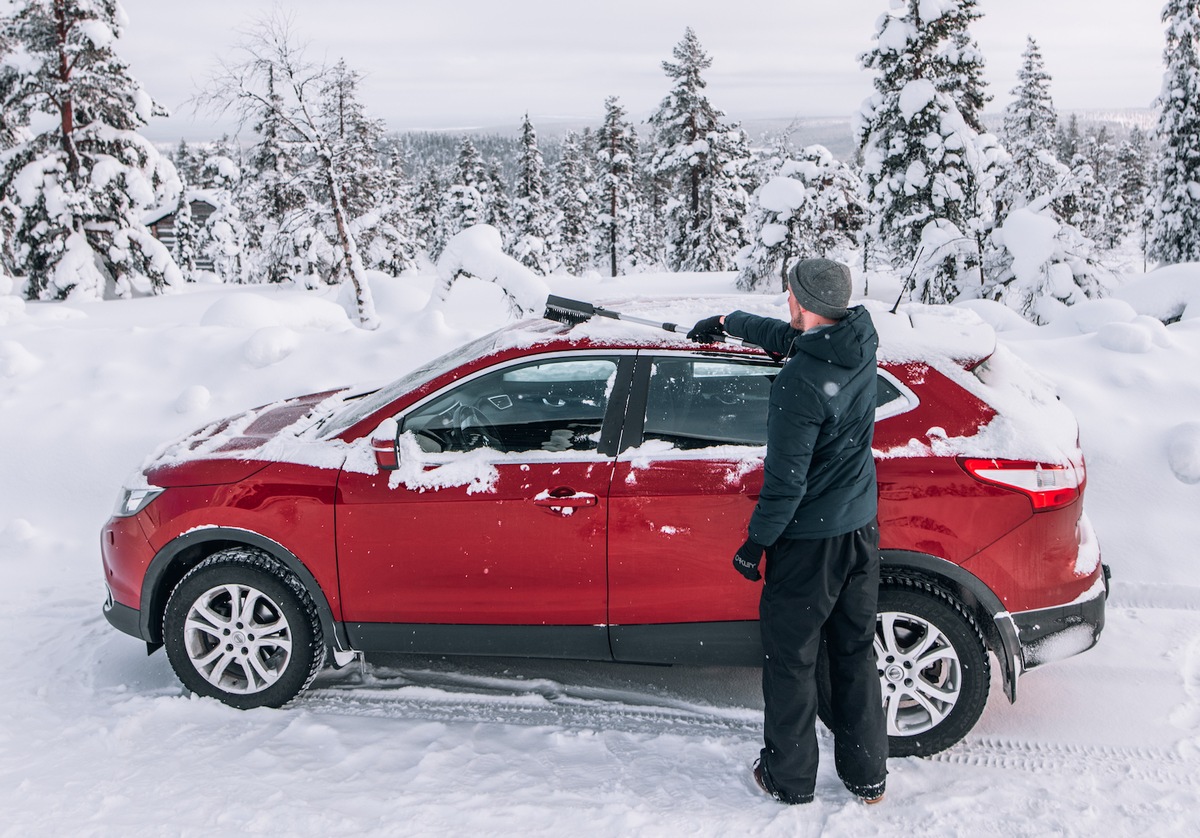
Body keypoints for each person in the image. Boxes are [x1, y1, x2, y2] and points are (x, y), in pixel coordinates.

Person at [686, 257, 888, 806]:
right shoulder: (858, 342)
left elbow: (785, 482)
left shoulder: (800, 383)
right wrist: (730, 322)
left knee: (793, 661)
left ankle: (789, 779)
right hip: (860, 530)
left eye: (789, 296)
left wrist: (757, 544)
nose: (786, 304)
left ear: (802, 301)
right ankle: (867, 778)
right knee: (853, 652)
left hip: (811, 544)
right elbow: (794, 338)